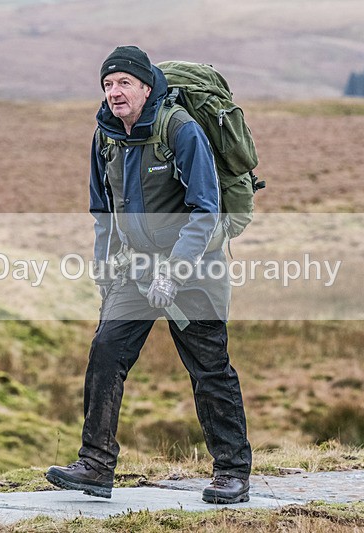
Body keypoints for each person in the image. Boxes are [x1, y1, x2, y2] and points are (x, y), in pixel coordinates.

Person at [46, 45, 253, 504]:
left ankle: (232, 472)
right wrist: (104, 269)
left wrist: (175, 272)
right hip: (136, 268)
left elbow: (205, 209)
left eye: (124, 82)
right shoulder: (105, 136)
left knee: (209, 367)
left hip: (195, 268)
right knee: (106, 351)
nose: (114, 92)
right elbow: (102, 211)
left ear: (145, 86)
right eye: (107, 84)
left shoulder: (180, 129)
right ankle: (95, 464)